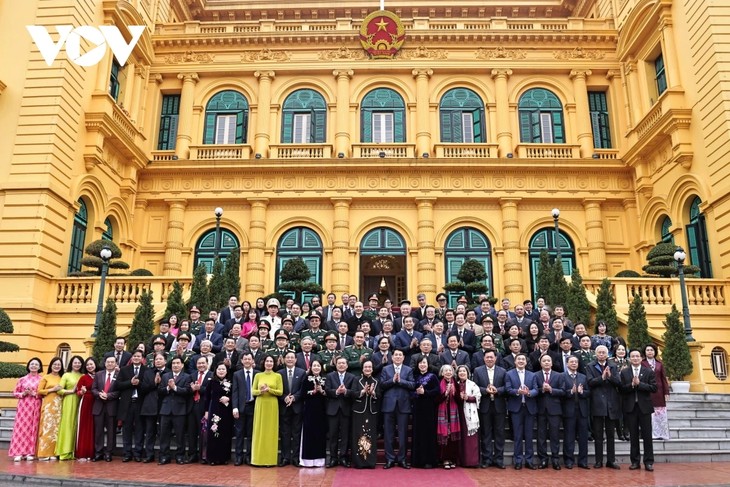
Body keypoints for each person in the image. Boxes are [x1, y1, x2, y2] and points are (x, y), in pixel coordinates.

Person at [620, 349, 658, 471]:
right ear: (629, 358)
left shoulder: (648, 371)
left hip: (644, 408)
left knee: (647, 435)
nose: (635, 358)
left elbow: (653, 388)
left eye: (637, 356)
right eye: (633, 356)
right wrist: (631, 385)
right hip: (631, 408)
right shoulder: (624, 372)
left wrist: (639, 384)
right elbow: (621, 389)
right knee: (633, 436)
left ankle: (648, 461)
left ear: (641, 358)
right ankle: (635, 461)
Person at [586, 345, 621, 469]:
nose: (601, 354)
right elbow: (590, 382)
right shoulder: (590, 366)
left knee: (611, 434)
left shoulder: (613, 366)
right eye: (599, 352)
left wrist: (610, 377)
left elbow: (618, 382)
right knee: (598, 434)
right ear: (596, 354)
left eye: (604, 352)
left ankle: (611, 460)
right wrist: (602, 378)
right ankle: (598, 460)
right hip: (597, 403)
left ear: (607, 354)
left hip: (611, 403)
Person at [381, 349, 415, 469]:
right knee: (388, 434)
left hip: (403, 405)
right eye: (396, 355)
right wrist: (392, 380)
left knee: (403, 434)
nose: (398, 357)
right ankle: (389, 459)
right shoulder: (386, 369)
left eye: (400, 355)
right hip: (388, 405)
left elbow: (412, 385)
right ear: (392, 357)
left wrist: (401, 381)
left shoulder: (408, 369)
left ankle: (402, 459)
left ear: (404, 357)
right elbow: (382, 385)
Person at [473, 349, 507, 469]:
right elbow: (475, 386)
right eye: (487, 357)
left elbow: (506, 387)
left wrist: (498, 390)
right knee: (486, 433)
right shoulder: (478, 370)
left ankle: (499, 459)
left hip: (499, 406)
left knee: (499, 433)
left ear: (496, 358)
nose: (489, 359)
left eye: (491, 357)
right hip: (485, 405)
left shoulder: (502, 371)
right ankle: (486, 459)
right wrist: (485, 390)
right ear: (484, 358)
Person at [505, 353, 538, 470]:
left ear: (526, 362)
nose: (521, 361)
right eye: (518, 359)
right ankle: (518, 460)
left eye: (523, 359)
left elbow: (536, 389)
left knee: (529, 436)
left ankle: (529, 460)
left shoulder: (532, 375)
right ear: (515, 362)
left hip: (529, 407)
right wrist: (518, 392)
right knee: (517, 435)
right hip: (516, 408)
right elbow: (508, 389)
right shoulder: (509, 374)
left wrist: (529, 393)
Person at [157, 356, 192, 465]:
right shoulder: (165, 376)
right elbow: (160, 391)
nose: (175, 365)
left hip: (180, 410)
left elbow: (187, 391)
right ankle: (164, 456)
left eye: (178, 363)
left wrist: (175, 388)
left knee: (180, 435)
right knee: (164, 435)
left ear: (182, 365)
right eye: (173, 363)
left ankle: (180, 456)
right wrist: (168, 388)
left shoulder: (187, 377)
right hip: (166, 409)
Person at [251, 355, 283, 467]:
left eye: (271, 361)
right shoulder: (258, 375)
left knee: (271, 432)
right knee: (259, 430)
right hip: (260, 403)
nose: (269, 363)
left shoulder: (277, 376)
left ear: (274, 364)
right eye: (267, 361)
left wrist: (270, 389)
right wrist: (260, 391)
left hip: (272, 404)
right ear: (263, 363)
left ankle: (270, 460)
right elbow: (253, 391)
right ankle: (257, 459)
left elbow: (280, 392)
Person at [9, 357, 43, 462]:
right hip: (23, 407)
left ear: (39, 367)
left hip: (36, 406)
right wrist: (23, 393)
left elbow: (43, 393)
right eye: (32, 364)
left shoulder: (42, 379)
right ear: (28, 366)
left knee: (33, 429)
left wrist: (35, 394)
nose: (34, 366)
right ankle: (18, 452)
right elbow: (15, 393)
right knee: (21, 429)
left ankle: (30, 452)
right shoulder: (22, 379)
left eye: (36, 364)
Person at [325, 356, 357, 467]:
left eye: (343, 363)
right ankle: (333, 458)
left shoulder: (352, 377)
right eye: (339, 363)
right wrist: (337, 392)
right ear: (336, 364)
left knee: (345, 435)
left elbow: (354, 393)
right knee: (333, 435)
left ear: (347, 365)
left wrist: (346, 391)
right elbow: (327, 390)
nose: (341, 365)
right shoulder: (330, 376)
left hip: (346, 410)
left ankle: (343, 457)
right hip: (333, 410)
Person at [116, 350, 147, 463]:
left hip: (140, 403)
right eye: (134, 356)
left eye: (139, 356)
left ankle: (138, 453)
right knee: (127, 429)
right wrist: (130, 382)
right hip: (127, 404)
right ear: (132, 357)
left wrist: (138, 384)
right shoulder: (124, 369)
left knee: (139, 429)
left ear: (142, 358)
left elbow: (148, 386)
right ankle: (127, 453)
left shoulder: (146, 370)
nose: (136, 358)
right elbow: (117, 385)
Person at [534, 354, 564, 470]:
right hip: (540, 409)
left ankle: (555, 459)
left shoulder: (559, 375)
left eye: (548, 360)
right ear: (541, 363)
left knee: (554, 435)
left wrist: (551, 390)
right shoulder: (535, 375)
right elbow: (534, 389)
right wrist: (542, 390)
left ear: (552, 363)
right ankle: (543, 459)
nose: (546, 362)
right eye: (544, 361)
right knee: (541, 435)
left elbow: (563, 391)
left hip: (555, 409)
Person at [410, 356, 440, 469]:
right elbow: (411, 392)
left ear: (428, 364)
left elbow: (437, 391)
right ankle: (417, 460)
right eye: (420, 363)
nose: (422, 365)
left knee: (428, 434)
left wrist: (425, 392)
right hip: (417, 408)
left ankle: (429, 460)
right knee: (418, 433)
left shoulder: (433, 377)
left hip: (429, 408)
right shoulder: (415, 377)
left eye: (424, 363)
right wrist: (416, 393)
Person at [562, 355, 590, 469]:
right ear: (567, 364)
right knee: (569, 436)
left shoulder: (583, 377)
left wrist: (582, 392)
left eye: (576, 362)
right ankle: (568, 460)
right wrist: (570, 392)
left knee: (583, 437)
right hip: (569, 410)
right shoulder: (562, 376)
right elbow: (561, 392)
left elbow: (589, 392)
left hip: (582, 410)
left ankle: (583, 461)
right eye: (571, 362)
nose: (574, 364)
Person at [351, 359, 380, 469]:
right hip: (359, 411)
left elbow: (379, 395)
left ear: (372, 369)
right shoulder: (356, 380)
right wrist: (362, 392)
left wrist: (373, 393)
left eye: (369, 367)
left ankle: (370, 461)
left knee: (370, 435)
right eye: (365, 367)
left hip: (371, 411)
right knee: (359, 435)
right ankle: (359, 462)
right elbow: (352, 393)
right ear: (362, 369)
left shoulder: (376, 381)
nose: (368, 369)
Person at [278, 351, 305, 466]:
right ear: (284, 360)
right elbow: (277, 389)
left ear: (295, 360)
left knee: (296, 433)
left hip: (297, 407)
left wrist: (294, 398)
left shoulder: (302, 372)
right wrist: (285, 397)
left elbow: (302, 389)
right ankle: (285, 457)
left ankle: (295, 458)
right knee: (285, 433)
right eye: (287, 357)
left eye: (291, 357)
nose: (289, 359)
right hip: (284, 407)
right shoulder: (279, 373)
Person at [204, 362, 234, 465]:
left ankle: (224, 458)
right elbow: (207, 398)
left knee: (225, 433)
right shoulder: (211, 382)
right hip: (214, 410)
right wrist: (206, 411)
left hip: (226, 411)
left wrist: (228, 398)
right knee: (213, 433)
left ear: (226, 371)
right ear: (215, 370)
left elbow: (234, 395)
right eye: (219, 369)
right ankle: (212, 458)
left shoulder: (230, 382)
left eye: (223, 369)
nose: (221, 371)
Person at [140, 353, 168, 463]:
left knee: (163, 432)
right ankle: (149, 454)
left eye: (161, 359)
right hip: (150, 405)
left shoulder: (169, 372)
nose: (158, 361)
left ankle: (163, 455)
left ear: (165, 361)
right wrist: (154, 383)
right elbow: (143, 388)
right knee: (150, 432)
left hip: (165, 406)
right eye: (156, 359)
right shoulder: (148, 372)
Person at [92, 356, 121, 462]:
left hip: (112, 406)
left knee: (111, 431)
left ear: (116, 364)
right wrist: (99, 394)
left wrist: (108, 395)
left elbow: (119, 391)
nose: (110, 364)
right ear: (105, 363)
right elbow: (93, 388)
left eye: (112, 362)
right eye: (108, 362)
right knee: (98, 431)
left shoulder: (119, 375)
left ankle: (108, 453)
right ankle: (98, 452)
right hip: (99, 406)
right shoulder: (99, 374)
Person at [55, 355, 84, 460]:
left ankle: (74, 451)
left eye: (79, 362)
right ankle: (64, 451)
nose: (77, 364)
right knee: (68, 424)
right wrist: (71, 391)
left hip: (80, 401)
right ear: (71, 363)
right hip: (69, 400)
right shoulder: (66, 375)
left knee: (77, 426)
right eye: (75, 362)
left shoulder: (83, 375)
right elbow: (59, 390)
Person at [300, 359, 327, 468]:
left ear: (321, 367)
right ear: (310, 367)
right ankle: (307, 461)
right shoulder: (306, 379)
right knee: (309, 434)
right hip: (309, 410)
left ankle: (319, 460)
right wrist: (313, 392)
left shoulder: (325, 379)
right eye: (314, 365)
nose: (316, 367)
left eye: (318, 366)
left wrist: (322, 391)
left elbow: (328, 393)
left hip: (321, 410)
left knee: (320, 434)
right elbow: (302, 394)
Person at [232, 352, 258, 466]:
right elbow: (235, 392)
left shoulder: (258, 374)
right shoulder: (237, 374)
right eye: (245, 359)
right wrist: (235, 407)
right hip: (241, 407)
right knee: (239, 433)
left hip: (254, 406)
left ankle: (249, 456)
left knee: (251, 434)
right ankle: (238, 456)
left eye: (249, 359)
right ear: (242, 361)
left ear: (252, 361)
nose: (247, 361)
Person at [36, 356, 63, 460]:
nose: (57, 366)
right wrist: (53, 389)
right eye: (55, 364)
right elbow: (39, 391)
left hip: (59, 406)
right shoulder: (45, 377)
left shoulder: (62, 377)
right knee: (46, 428)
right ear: (51, 365)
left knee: (56, 430)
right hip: (48, 405)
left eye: (59, 365)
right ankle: (43, 453)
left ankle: (53, 453)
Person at [188, 355, 212, 464]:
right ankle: (192, 454)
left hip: (205, 407)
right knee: (192, 432)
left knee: (204, 433)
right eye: (199, 363)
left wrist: (200, 389)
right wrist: (191, 389)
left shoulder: (212, 375)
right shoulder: (192, 375)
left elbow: (211, 392)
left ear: (207, 364)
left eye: (203, 363)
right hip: (192, 406)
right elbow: (186, 390)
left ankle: (204, 455)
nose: (201, 365)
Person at [643, 344, 670, 440]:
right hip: (647, 391)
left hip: (659, 392)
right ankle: (651, 434)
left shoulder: (660, 364)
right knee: (650, 414)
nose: (649, 352)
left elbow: (663, 379)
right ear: (645, 352)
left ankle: (661, 433)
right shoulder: (642, 363)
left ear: (655, 352)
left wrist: (666, 392)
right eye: (647, 350)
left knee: (660, 413)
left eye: (651, 350)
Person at [455, 365, 481, 467]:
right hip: (458, 413)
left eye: (464, 371)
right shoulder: (455, 384)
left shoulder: (472, 384)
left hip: (470, 414)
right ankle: (460, 460)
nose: (462, 373)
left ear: (467, 373)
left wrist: (468, 398)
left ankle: (471, 461)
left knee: (470, 438)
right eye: (460, 371)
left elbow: (478, 397)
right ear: (457, 374)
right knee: (459, 438)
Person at [436, 364, 460, 469]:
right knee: (444, 438)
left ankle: (452, 459)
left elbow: (459, 400)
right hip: (442, 414)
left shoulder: (456, 383)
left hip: (454, 413)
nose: (448, 372)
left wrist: (454, 393)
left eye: (450, 370)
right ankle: (444, 459)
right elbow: (436, 400)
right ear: (442, 372)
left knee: (452, 439)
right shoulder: (439, 383)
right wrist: (445, 393)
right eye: (446, 370)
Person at [74, 357, 97, 461]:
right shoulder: (83, 377)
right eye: (87, 365)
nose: (89, 366)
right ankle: (82, 453)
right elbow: (78, 392)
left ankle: (92, 453)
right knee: (84, 427)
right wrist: (82, 392)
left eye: (91, 364)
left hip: (97, 403)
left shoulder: (100, 375)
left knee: (94, 428)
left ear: (95, 364)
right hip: (86, 402)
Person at [610, 343, 630, 440]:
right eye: (619, 350)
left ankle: (626, 431)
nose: (621, 351)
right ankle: (619, 432)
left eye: (623, 350)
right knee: (618, 413)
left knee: (626, 412)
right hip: (615, 390)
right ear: (615, 351)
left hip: (627, 390)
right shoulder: (611, 362)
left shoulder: (629, 362)